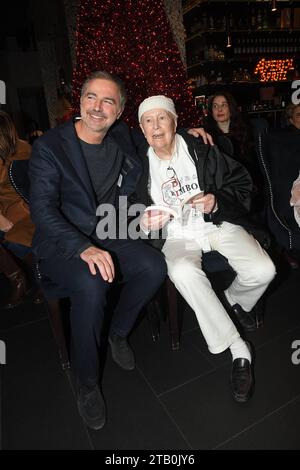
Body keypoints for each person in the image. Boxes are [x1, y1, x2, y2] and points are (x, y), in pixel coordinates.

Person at [28, 71, 168, 431]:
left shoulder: (121, 136)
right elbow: (43, 210)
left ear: (120, 111)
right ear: (80, 101)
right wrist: (82, 247)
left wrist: (190, 136)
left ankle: (118, 333)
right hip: (62, 243)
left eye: (108, 101)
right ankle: (87, 383)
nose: (97, 107)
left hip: (108, 230)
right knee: (92, 285)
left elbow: (158, 135)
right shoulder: (50, 147)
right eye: (91, 97)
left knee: (154, 266)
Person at [136, 95, 276, 403]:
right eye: (148, 120)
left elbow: (243, 184)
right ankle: (239, 349)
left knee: (264, 270)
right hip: (176, 235)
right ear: (141, 129)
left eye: (162, 118)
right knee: (182, 270)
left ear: (176, 122)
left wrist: (215, 200)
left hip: (214, 222)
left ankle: (228, 300)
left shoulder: (201, 150)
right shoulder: (136, 165)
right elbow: (126, 212)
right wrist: (145, 222)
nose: (156, 126)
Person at [204, 91, 264, 214]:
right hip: (221, 191)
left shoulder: (247, 132)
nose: (219, 109)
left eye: (223, 105)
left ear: (231, 108)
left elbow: (254, 166)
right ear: (211, 111)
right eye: (215, 106)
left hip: (246, 189)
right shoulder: (206, 136)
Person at [0, 111, 36, 308]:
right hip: (4, 213)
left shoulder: (21, 150)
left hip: (23, 210)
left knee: (17, 241)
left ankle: (40, 278)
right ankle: (18, 278)